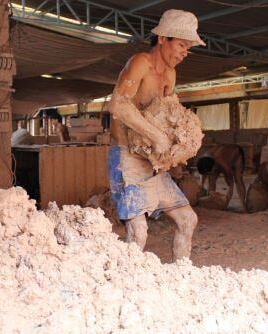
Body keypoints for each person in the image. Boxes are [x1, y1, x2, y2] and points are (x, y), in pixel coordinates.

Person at [107, 9, 203, 261]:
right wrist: (158, 138)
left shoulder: (170, 74)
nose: (185, 52)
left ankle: (181, 276)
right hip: (126, 156)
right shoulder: (140, 62)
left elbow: (167, 116)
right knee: (139, 232)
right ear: (162, 38)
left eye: (188, 48)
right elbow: (118, 105)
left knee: (187, 219)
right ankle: (127, 286)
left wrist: (177, 150)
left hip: (152, 163)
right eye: (181, 45)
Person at [196, 144, 247, 212]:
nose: (209, 174)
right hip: (217, 156)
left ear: (214, 166)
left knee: (238, 179)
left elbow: (230, 184)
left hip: (236, 155)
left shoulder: (223, 164)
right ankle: (211, 203)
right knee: (211, 179)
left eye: (210, 172)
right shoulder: (203, 159)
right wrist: (202, 187)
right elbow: (203, 175)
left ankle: (244, 207)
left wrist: (226, 203)